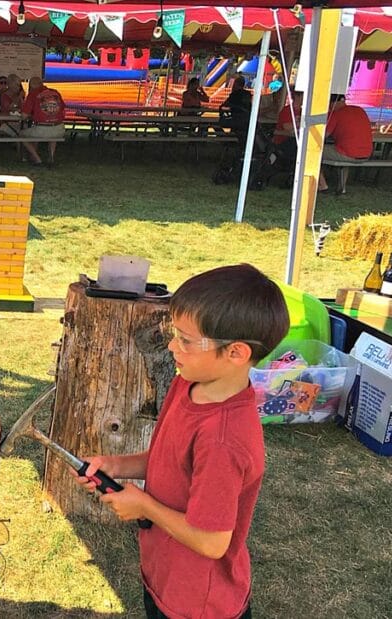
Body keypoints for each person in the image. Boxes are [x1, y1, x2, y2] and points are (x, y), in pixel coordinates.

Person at [77, 264, 289, 619]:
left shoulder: (223, 440)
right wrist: (118, 465)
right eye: (175, 334)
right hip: (166, 577)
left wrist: (144, 507)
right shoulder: (187, 384)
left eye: (186, 340)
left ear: (236, 353)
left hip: (198, 604)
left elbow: (212, 541)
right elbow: (169, 458)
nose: (173, 345)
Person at [322, 94, 373, 193]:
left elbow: (324, 135)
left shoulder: (336, 114)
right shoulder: (360, 110)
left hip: (347, 153)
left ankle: (322, 185)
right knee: (344, 150)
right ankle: (342, 187)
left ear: (333, 103)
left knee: (311, 152)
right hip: (366, 153)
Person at [17, 76, 65, 165]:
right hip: (60, 129)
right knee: (53, 135)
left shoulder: (33, 94)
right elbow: (62, 109)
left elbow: (23, 116)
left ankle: (37, 158)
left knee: (21, 135)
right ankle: (51, 157)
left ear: (30, 86)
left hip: (42, 129)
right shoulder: (55, 93)